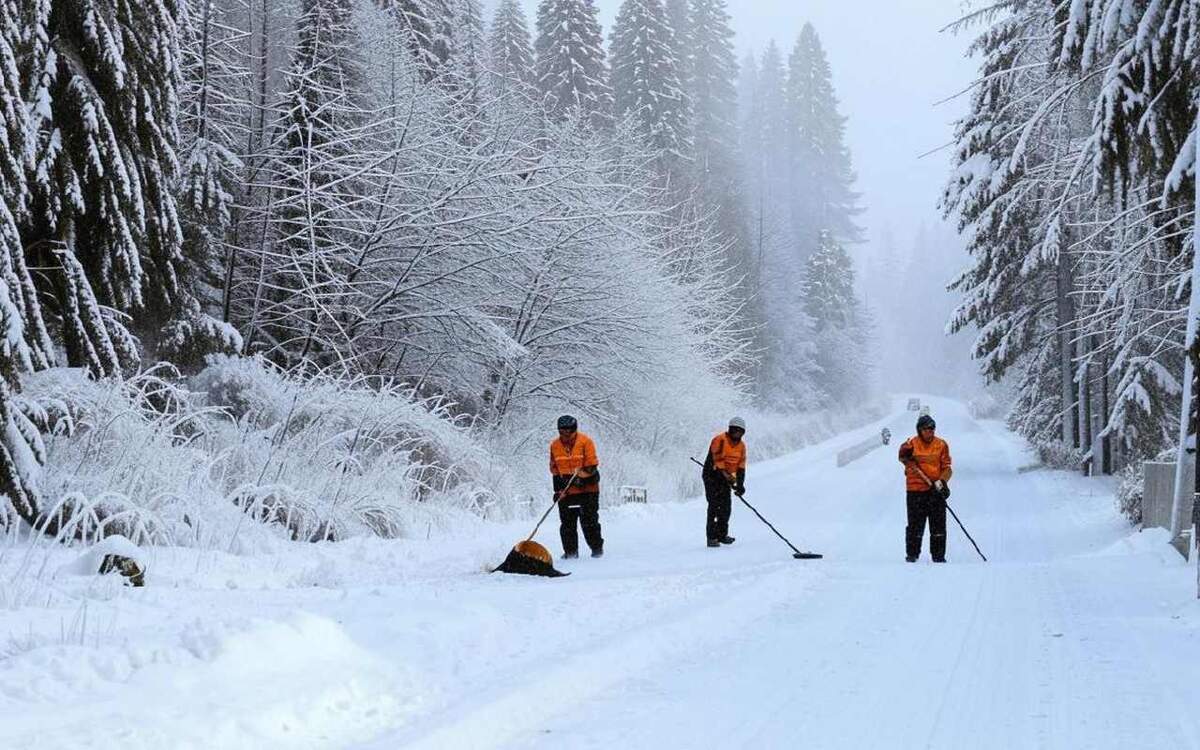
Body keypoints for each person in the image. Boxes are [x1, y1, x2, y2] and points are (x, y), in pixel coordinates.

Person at [898, 414, 952, 562]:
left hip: (935, 491)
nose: (930, 431)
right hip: (915, 492)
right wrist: (903, 454)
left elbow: (947, 468)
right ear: (919, 430)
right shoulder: (911, 444)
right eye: (926, 429)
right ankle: (912, 555)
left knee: (938, 526)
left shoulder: (941, 445)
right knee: (915, 526)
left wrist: (942, 483)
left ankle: (938, 557)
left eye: (932, 428)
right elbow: (902, 456)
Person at [549, 415, 603, 558]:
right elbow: (555, 471)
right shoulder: (554, 445)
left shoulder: (586, 442)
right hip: (567, 491)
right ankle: (571, 553)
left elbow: (592, 466)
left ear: (575, 429)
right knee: (567, 523)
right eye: (562, 431)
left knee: (589, 521)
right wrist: (558, 491)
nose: (566, 434)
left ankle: (597, 550)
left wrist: (581, 479)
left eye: (569, 430)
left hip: (588, 489)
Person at [702, 417, 747, 548]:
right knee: (714, 505)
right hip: (712, 475)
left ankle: (722, 535)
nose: (737, 433)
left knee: (726, 507)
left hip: (725, 478)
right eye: (735, 430)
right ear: (730, 429)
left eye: (740, 431)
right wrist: (728, 478)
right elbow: (718, 461)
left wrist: (740, 485)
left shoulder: (742, 447)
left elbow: (741, 467)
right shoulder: (720, 440)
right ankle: (712, 538)